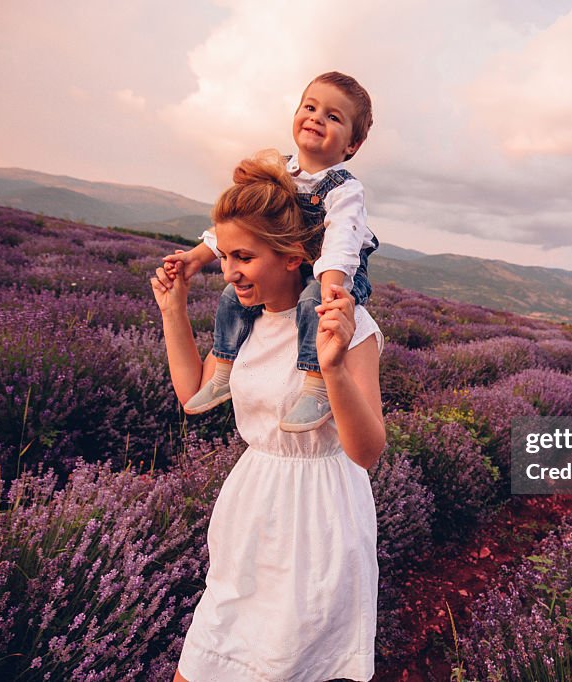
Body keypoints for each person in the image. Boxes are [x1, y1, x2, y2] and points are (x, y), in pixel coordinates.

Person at [151, 150, 385, 681]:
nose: (229, 272)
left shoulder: (353, 326)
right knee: (205, 660)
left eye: (244, 258)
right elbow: (193, 395)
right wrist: (173, 310)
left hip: (320, 521)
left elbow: (367, 451)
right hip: (251, 511)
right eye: (226, 256)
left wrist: (334, 370)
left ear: (292, 256)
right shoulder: (245, 325)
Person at [164, 71, 377, 433]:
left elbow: (341, 242)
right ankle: (223, 373)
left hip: (332, 273)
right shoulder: (277, 170)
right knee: (231, 297)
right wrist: (198, 257)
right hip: (294, 265)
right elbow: (242, 226)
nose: (316, 118)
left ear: (352, 145)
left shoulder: (344, 190)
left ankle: (315, 385)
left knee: (314, 303)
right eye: (309, 107)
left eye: (332, 116)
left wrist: (332, 287)